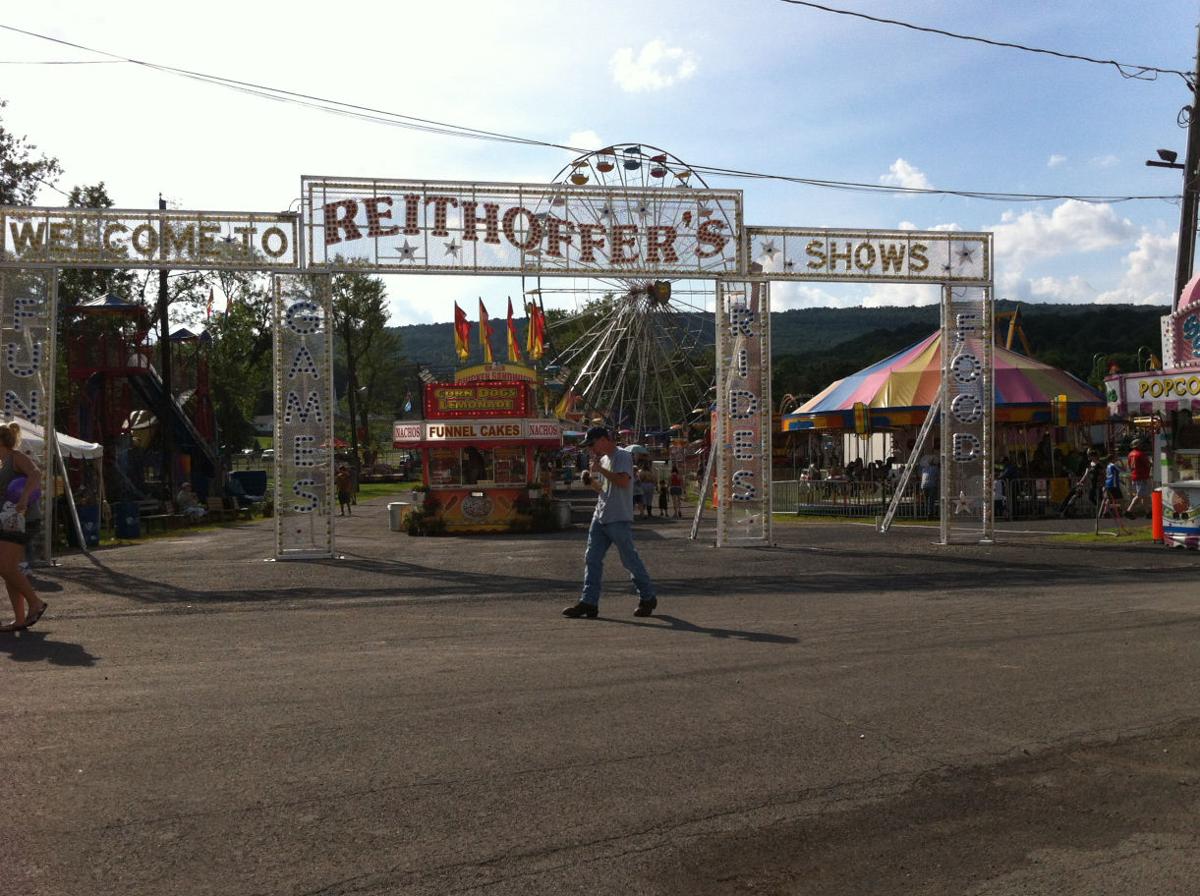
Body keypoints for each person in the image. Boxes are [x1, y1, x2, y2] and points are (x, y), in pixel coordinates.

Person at [563, 426, 657, 619]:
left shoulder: (621, 456)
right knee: (592, 558)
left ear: (604, 439)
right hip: (601, 515)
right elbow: (604, 490)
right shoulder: (604, 460)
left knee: (629, 560)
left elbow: (623, 482)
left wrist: (601, 470)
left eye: (592, 444)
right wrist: (590, 481)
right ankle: (589, 602)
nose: (591, 449)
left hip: (618, 517)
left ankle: (647, 597)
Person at [0, 422, 48, 632]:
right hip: (9, 520)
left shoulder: (15, 457)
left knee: (6, 567)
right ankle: (19, 619)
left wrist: (25, 497)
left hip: (23, 519)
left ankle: (36, 603)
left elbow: (36, 474)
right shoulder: (2, 463)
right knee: (8, 570)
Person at [1058, 449, 1101, 517]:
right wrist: (1080, 482)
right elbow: (1085, 475)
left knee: (1092, 497)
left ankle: (1099, 510)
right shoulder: (1089, 464)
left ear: (1094, 456)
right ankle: (1064, 511)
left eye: (1090, 456)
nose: (1089, 457)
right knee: (1074, 494)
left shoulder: (1099, 465)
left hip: (1094, 484)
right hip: (1087, 483)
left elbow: (1101, 474)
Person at [1103, 453, 1132, 535]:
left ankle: (1105, 511)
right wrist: (1121, 461)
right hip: (1114, 485)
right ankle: (1124, 511)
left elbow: (1113, 475)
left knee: (1110, 499)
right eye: (1115, 458)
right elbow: (1124, 470)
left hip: (1108, 484)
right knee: (1120, 499)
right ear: (1112, 459)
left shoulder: (1108, 466)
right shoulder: (1113, 465)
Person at [1126, 438, 1152, 519]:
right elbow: (1147, 464)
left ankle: (1148, 512)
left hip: (1135, 476)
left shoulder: (1130, 454)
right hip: (1141, 476)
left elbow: (1130, 466)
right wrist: (1151, 463)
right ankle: (1129, 510)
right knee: (1140, 495)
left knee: (1144, 495)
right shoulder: (1141, 454)